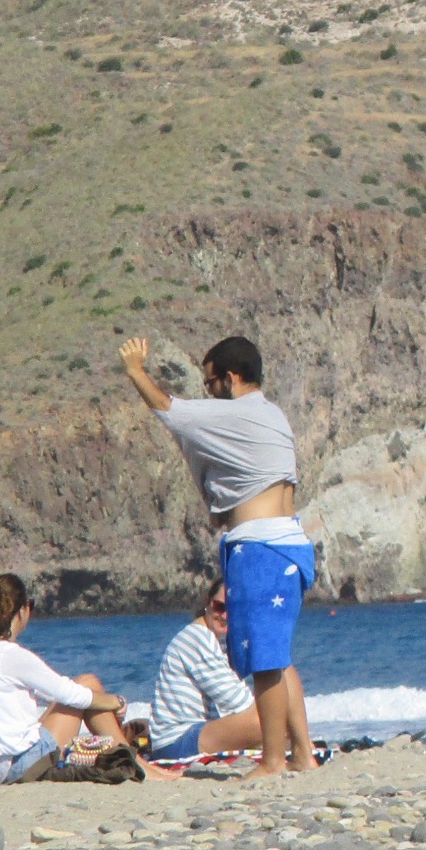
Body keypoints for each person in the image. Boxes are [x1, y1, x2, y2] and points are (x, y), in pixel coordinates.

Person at [120, 332, 316, 778]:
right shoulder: (274, 416)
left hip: (259, 546)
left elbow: (169, 410)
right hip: (290, 543)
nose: (208, 393)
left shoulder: (235, 413)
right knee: (278, 654)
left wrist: (135, 371)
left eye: (210, 384)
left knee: (265, 661)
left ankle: (273, 760)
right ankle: (302, 753)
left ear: (230, 378)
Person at [0, 573, 149, 784]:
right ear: (21, 611)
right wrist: (117, 702)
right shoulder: (11, 655)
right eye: (30, 605)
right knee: (88, 683)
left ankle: (132, 758)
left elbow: (47, 693)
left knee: (84, 689)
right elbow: (68, 693)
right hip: (18, 765)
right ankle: (137, 763)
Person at [149, 582, 264, 763]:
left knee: (271, 714)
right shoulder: (198, 639)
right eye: (220, 607)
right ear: (208, 602)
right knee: (266, 719)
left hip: (192, 733)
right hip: (175, 741)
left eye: (234, 609)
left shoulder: (218, 641)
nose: (225, 615)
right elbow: (239, 702)